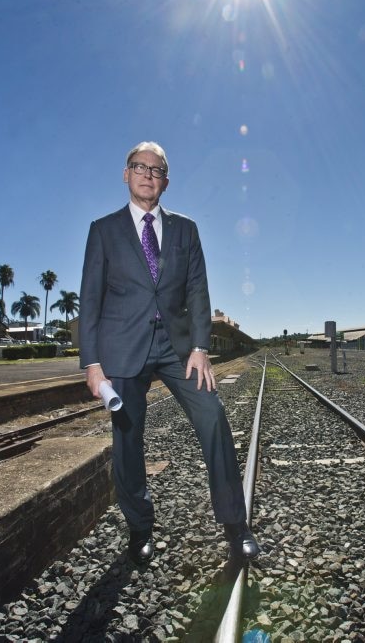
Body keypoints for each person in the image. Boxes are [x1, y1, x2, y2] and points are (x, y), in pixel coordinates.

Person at [79, 141, 260, 564]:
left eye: (156, 170)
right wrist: (92, 364)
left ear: (166, 181)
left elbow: (198, 291)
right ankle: (139, 527)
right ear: (126, 174)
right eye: (139, 167)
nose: (147, 174)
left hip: (178, 349)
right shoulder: (102, 230)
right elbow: (90, 300)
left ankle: (236, 526)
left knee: (213, 417)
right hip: (121, 350)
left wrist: (200, 346)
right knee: (127, 442)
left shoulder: (185, 229)